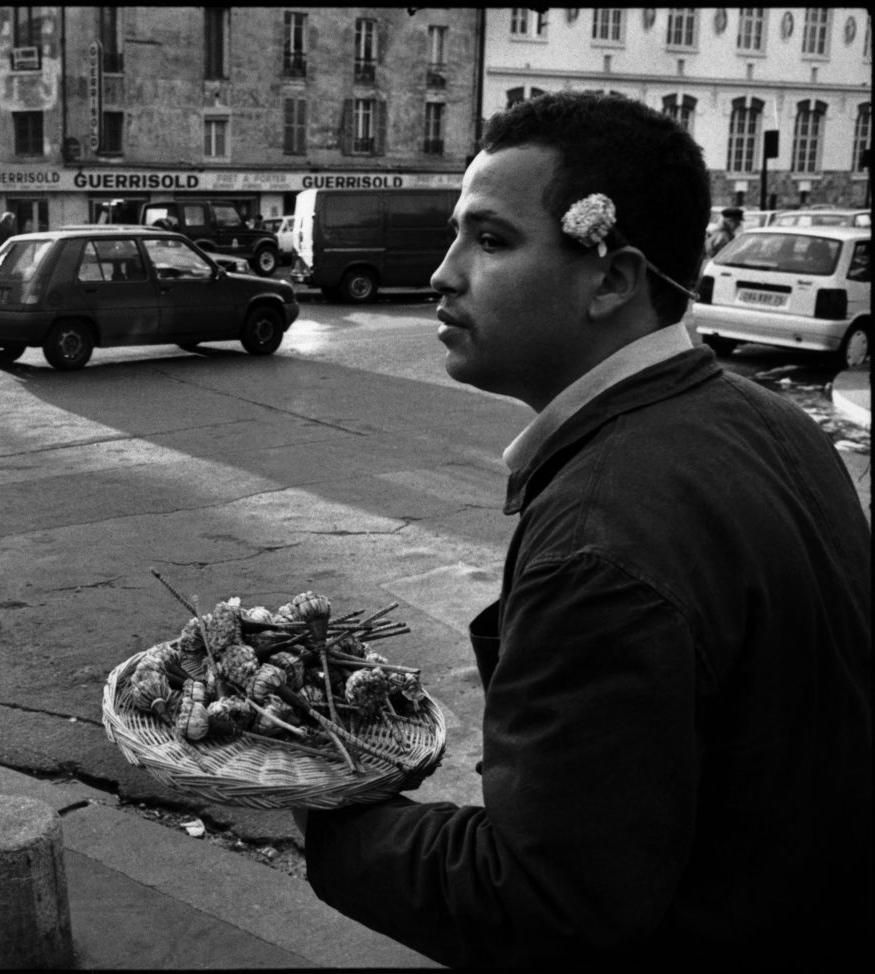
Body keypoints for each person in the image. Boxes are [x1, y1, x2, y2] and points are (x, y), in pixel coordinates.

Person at [298, 91, 871, 968]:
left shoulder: (599, 538)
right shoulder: (773, 421)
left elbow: (543, 903)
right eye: (458, 234)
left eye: (490, 240)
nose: (445, 273)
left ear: (612, 278)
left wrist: (328, 801)